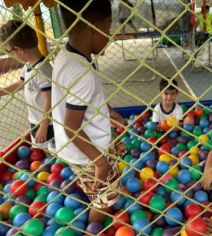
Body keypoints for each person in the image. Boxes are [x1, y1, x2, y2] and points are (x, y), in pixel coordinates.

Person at [52, 0, 126, 223]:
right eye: (109, 26)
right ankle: (94, 224)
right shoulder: (82, 72)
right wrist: (100, 163)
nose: (110, 34)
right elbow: (71, 126)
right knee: (105, 198)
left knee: (108, 167)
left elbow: (76, 101)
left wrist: (108, 109)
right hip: (88, 151)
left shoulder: (66, 56)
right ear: (95, 26)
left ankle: (90, 186)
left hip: (76, 148)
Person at [0, 20, 54, 150]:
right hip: (35, 120)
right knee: (41, 152)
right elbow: (20, 84)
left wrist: (44, 126)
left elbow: (50, 99)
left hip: (49, 124)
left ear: (18, 49)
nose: (11, 55)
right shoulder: (28, 65)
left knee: (53, 154)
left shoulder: (43, 69)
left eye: (9, 51)